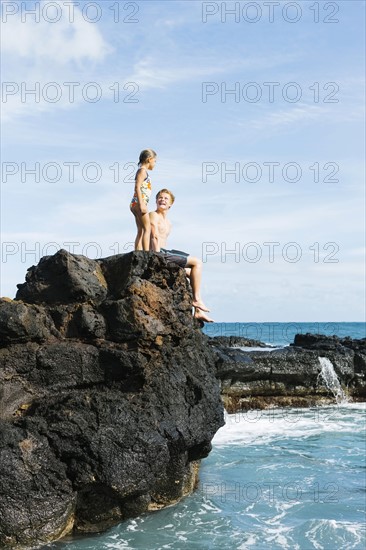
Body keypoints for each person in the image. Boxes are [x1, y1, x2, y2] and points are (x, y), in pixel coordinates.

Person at [149, 189, 214, 323]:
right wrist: (157, 257)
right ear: (156, 201)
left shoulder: (169, 223)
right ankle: (196, 300)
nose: (162, 200)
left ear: (171, 204)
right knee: (197, 262)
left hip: (166, 251)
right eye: (160, 198)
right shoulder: (153, 215)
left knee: (191, 273)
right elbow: (153, 236)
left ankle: (198, 311)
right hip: (160, 253)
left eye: (166, 198)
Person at [130, 149, 157, 251]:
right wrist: (142, 204)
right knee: (147, 228)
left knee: (141, 230)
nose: (155, 164)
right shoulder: (142, 171)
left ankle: (138, 252)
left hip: (136, 203)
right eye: (155, 161)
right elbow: (137, 187)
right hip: (139, 203)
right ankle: (146, 254)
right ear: (149, 159)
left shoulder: (142, 171)